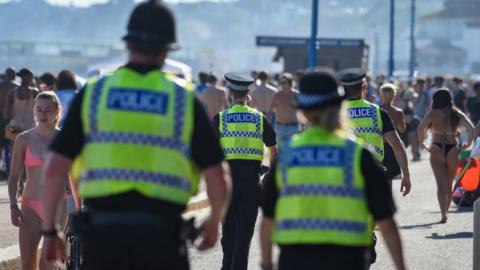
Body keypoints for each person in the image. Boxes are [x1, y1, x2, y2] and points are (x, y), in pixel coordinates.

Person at [40, 1, 230, 269]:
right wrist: (213, 223)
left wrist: (50, 231)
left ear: (127, 45)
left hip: (103, 240)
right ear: (166, 50)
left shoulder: (95, 94)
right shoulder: (183, 100)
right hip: (163, 240)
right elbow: (217, 175)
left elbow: (54, 168)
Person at [259, 69, 406, 270]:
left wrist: (266, 264)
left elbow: (267, 221)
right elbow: (387, 224)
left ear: (302, 113)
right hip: (346, 258)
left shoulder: (286, 155)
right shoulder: (359, 155)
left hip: (295, 258)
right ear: (339, 107)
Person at [213, 73, 277, 270]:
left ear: (230, 94)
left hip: (228, 183)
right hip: (251, 182)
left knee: (229, 231)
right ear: (249, 93)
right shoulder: (259, 119)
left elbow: (211, 153)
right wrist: (271, 179)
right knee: (245, 234)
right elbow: (273, 150)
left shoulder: (220, 119)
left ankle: (227, 267)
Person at [8, 91, 67, 270]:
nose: (43, 114)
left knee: (48, 264)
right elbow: (13, 177)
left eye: (47, 110)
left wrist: (78, 207)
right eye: (39, 109)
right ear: (34, 111)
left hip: (58, 207)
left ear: (57, 111)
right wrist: (13, 206)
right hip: (30, 207)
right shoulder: (23, 139)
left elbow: (75, 177)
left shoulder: (65, 138)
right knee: (28, 266)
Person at [339, 68, 411, 192]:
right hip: (373, 171)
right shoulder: (377, 112)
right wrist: (406, 176)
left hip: (344, 173)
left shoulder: (334, 113)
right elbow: (397, 145)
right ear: (364, 88)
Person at [417, 89, 474, 223]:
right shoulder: (456, 113)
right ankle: (446, 212)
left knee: (440, 186)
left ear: (435, 100)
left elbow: (420, 128)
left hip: (436, 147)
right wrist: (467, 144)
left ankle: (443, 214)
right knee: (449, 185)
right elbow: (471, 128)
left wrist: (423, 144)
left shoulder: (432, 114)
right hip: (453, 148)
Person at [380, 83, 406, 181]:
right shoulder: (398, 112)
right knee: (389, 178)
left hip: (378, 145)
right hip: (392, 146)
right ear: (394, 95)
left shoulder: (376, 109)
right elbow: (402, 129)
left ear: (381, 95)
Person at [4, 68, 38, 139]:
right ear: (27, 77)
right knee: (30, 149)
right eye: (31, 77)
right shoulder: (35, 92)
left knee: (15, 148)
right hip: (31, 125)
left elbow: (6, 114)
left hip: (15, 125)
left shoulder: (12, 93)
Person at [268, 73, 299, 140]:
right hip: (280, 126)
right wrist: (267, 125)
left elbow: (301, 110)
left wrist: (302, 126)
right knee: (280, 149)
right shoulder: (277, 95)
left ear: (290, 83)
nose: (281, 84)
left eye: (284, 82)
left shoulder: (296, 95)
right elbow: (270, 111)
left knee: (292, 148)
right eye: (280, 82)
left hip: (293, 126)